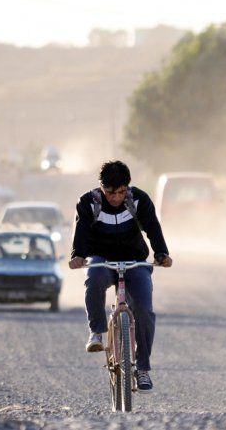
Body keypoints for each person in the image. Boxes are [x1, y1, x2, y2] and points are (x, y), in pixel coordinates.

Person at [69, 160, 172, 393]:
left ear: (128, 187)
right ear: (101, 187)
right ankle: (96, 331)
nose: (116, 197)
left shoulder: (139, 200)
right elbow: (81, 230)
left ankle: (142, 369)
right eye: (110, 192)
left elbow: (152, 227)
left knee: (144, 308)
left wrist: (161, 253)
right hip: (102, 259)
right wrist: (78, 256)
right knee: (94, 277)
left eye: (121, 191)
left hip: (134, 260)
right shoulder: (89, 202)